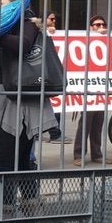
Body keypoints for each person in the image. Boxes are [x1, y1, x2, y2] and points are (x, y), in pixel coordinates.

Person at [0, 0, 57, 202]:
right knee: (18, 159)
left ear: (14, 4)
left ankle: (10, 210)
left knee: (8, 160)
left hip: (22, 101)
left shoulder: (28, 22)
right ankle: (27, 211)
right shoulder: (7, 26)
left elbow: (24, 46)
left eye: (2, 3)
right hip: (9, 96)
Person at [73, 15, 112, 166]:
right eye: (96, 25)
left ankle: (97, 153)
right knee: (86, 122)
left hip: (102, 87)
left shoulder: (109, 41)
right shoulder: (84, 40)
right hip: (88, 87)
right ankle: (78, 154)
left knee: (98, 122)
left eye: (103, 24)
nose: (100, 27)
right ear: (90, 27)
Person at [45, 11, 71, 144]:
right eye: (51, 19)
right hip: (43, 76)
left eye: (55, 19)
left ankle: (54, 133)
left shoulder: (56, 35)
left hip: (52, 75)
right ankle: (54, 134)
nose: (54, 22)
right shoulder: (39, 33)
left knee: (54, 105)